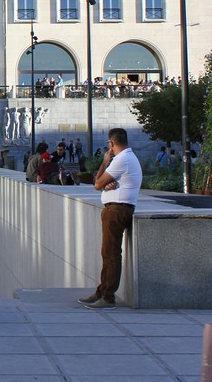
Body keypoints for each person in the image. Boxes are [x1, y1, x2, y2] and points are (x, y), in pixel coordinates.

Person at [78, 127, 142, 310]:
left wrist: (105, 162)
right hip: (117, 208)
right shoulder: (128, 158)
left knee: (111, 254)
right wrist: (106, 185)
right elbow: (101, 184)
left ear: (112, 143)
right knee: (108, 253)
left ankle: (107, 296)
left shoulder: (121, 160)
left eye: (109, 145)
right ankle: (102, 291)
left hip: (116, 210)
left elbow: (97, 183)